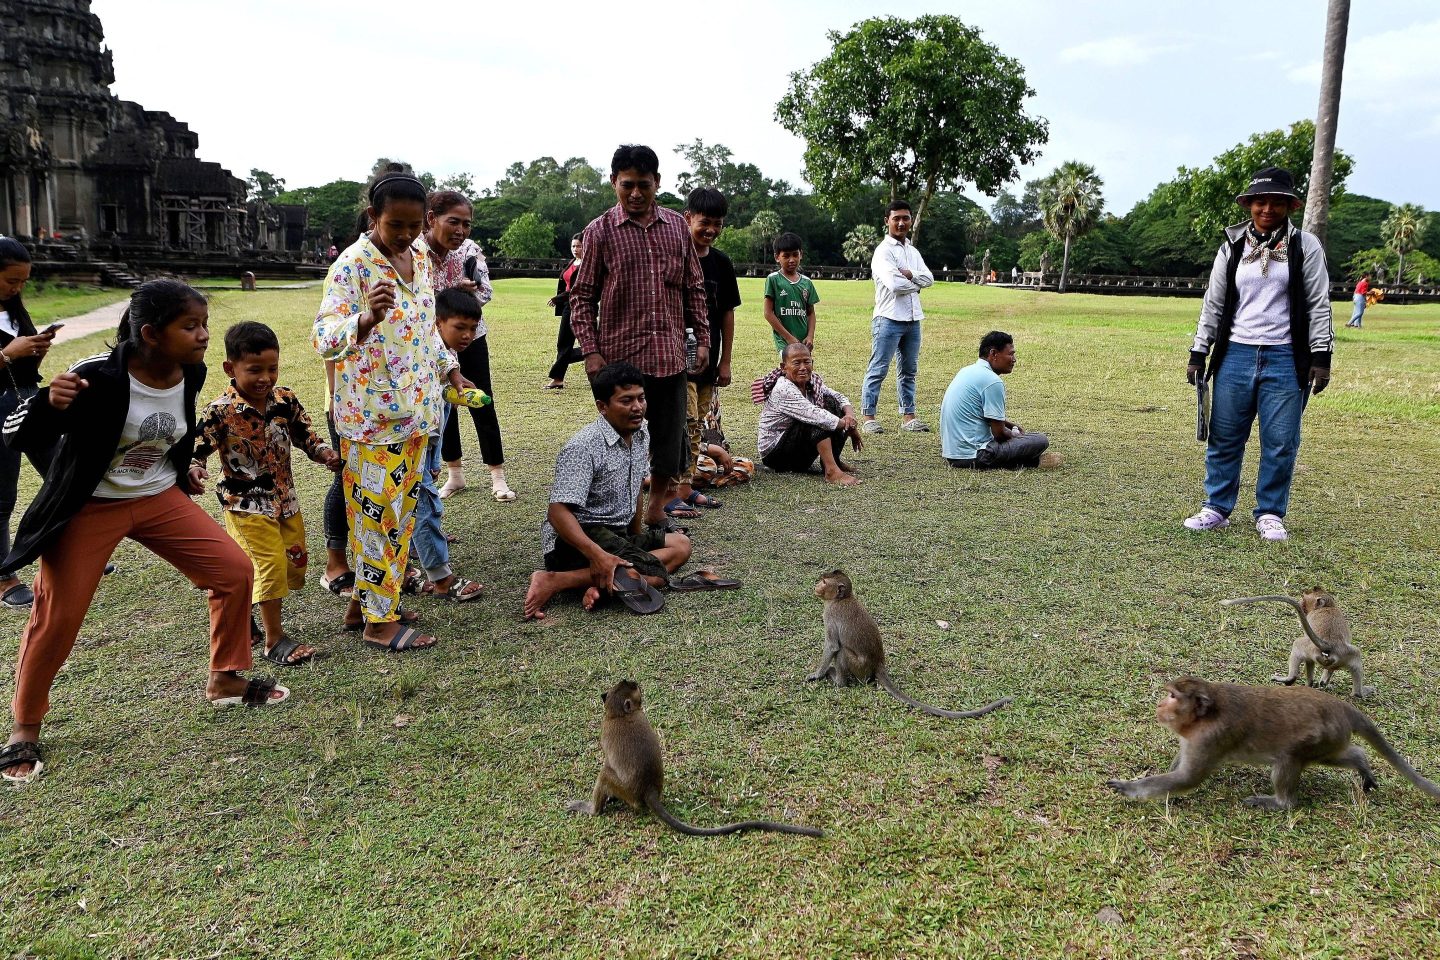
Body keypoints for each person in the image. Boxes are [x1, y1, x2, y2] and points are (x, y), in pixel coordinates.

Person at [0, 280, 283, 785]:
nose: (201, 337)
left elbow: (173, 427)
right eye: (190, 326)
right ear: (151, 333)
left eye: (203, 325)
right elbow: (17, 433)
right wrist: (50, 403)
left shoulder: (189, 372)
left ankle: (225, 679)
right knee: (58, 616)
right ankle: (24, 726)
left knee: (234, 571)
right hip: (91, 506)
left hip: (156, 498)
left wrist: (182, 469)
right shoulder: (96, 376)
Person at [314, 164, 469, 651]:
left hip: (418, 410)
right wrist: (364, 317)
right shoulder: (352, 267)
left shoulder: (419, 260)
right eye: (393, 225)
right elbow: (323, 338)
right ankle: (380, 625)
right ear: (372, 216)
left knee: (398, 517)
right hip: (371, 418)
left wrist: (450, 368)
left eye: (412, 225)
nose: (404, 235)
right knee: (378, 518)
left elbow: (425, 328)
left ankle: (367, 605)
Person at [1184, 166, 1334, 542]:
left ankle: (1269, 513)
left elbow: (1318, 303)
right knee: (1225, 435)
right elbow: (1213, 303)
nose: (1267, 209)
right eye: (1260, 201)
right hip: (1235, 353)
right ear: (1249, 204)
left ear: (1289, 206)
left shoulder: (1305, 246)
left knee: (1281, 441)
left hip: (1286, 357)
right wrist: (1199, 351)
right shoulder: (1233, 245)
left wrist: (1321, 357)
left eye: (1277, 202)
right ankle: (1216, 507)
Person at [568, 144, 707, 533]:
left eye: (643, 185)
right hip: (620, 358)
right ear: (613, 182)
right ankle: (626, 512)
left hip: (668, 354)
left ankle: (657, 508)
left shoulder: (678, 227)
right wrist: (592, 353)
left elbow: (694, 287)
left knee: (668, 436)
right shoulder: (599, 232)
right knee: (620, 442)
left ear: (657, 183)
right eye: (626, 184)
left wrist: (704, 339)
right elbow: (581, 297)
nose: (635, 193)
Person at [191, 321, 341, 666]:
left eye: (271, 368)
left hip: (286, 501)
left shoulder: (284, 399)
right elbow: (197, 448)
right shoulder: (220, 410)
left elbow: (307, 435)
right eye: (254, 370)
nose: (265, 377)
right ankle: (275, 640)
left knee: (294, 562)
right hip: (245, 505)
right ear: (231, 368)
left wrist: (324, 454)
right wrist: (195, 467)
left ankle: (241, 610)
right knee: (270, 566)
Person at [523, 362, 693, 620]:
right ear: (602, 407)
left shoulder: (640, 431)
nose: (637, 407)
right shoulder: (583, 446)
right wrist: (598, 554)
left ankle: (598, 584)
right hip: (576, 539)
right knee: (656, 574)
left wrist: (634, 539)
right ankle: (554, 579)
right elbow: (557, 512)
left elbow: (635, 486)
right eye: (626, 401)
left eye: (641, 398)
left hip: (616, 534)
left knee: (681, 546)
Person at [420, 190, 515, 503]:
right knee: (444, 404)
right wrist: (449, 292)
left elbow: (485, 292)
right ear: (431, 219)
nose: (460, 231)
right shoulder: (415, 252)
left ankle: (497, 476)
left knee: (480, 399)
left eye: (466, 224)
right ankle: (455, 473)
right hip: (431, 340)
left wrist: (465, 296)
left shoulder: (469, 251)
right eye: (454, 222)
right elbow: (415, 303)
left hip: (470, 336)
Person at [409, 288, 487, 603]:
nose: (468, 335)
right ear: (437, 322)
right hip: (410, 439)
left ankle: (416, 545)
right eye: (460, 327)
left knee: (418, 504)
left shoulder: (446, 354)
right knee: (426, 504)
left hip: (427, 444)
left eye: (473, 328)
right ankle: (441, 577)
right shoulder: (419, 346)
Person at [671, 187, 740, 515]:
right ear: (688, 219)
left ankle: (686, 489)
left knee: (698, 423)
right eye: (705, 222)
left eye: (718, 224)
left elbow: (727, 313)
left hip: (708, 359)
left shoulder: (721, 263)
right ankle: (669, 490)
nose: (711, 230)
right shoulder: (673, 256)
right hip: (674, 357)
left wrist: (724, 360)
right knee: (680, 423)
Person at [0, 237, 59, 609]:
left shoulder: (14, 310)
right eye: (11, 281)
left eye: (23, 281)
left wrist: (36, 350)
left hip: (28, 399)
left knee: (60, 473)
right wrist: (7, 353)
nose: (18, 288)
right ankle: (4, 576)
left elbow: (24, 371)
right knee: (2, 494)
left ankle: (65, 552)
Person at [863, 200, 934, 434]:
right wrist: (917, 282)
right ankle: (868, 417)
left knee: (909, 370)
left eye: (905, 218)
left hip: (913, 319)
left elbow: (930, 279)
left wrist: (911, 275)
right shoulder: (883, 252)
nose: (901, 223)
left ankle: (908, 416)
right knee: (879, 368)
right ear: (887, 221)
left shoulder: (912, 252)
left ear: (911, 220)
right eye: (896, 218)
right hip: (888, 317)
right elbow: (894, 284)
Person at [940, 331, 1051, 470]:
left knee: (1028, 440)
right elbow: (999, 434)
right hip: (976, 455)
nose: (1014, 359)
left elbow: (977, 413)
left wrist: (1009, 424)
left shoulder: (966, 371)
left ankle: (1022, 461)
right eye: (1010, 354)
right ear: (993, 354)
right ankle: (1030, 462)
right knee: (1040, 440)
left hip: (953, 455)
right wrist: (1016, 436)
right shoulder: (992, 381)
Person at [756, 343, 861, 486]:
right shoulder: (784, 388)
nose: (803, 368)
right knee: (816, 418)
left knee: (831, 402)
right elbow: (814, 415)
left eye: (807, 362)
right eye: (796, 363)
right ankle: (831, 471)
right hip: (776, 456)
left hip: (798, 452)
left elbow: (839, 397)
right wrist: (849, 427)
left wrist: (850, 417)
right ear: (783, 367)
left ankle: (833, 461)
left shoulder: (812, 381)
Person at [764, 232, 818, 355]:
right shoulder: (773, 279)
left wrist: (810, 336)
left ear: (801, 255)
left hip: (803, 341)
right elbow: (768, 313)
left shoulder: (807, 282)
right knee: (791, 367)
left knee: (803, 369)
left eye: (795, 255)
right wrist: (788, 338)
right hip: (784, 340)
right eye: (786, 256)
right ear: (777, 257)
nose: (791, 260)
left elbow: (810, 313)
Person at [545, 233, 585, 389]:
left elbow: (576, 289)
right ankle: (595, 352)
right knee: (564, 344)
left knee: (564, 345)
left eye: (579, 246)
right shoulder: (572, 262)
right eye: (573, 246)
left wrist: (557, 298)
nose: (575, 249)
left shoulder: (586, 265)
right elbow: (565, 283)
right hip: (568, 306)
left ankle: (557, 378)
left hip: (580, 306)